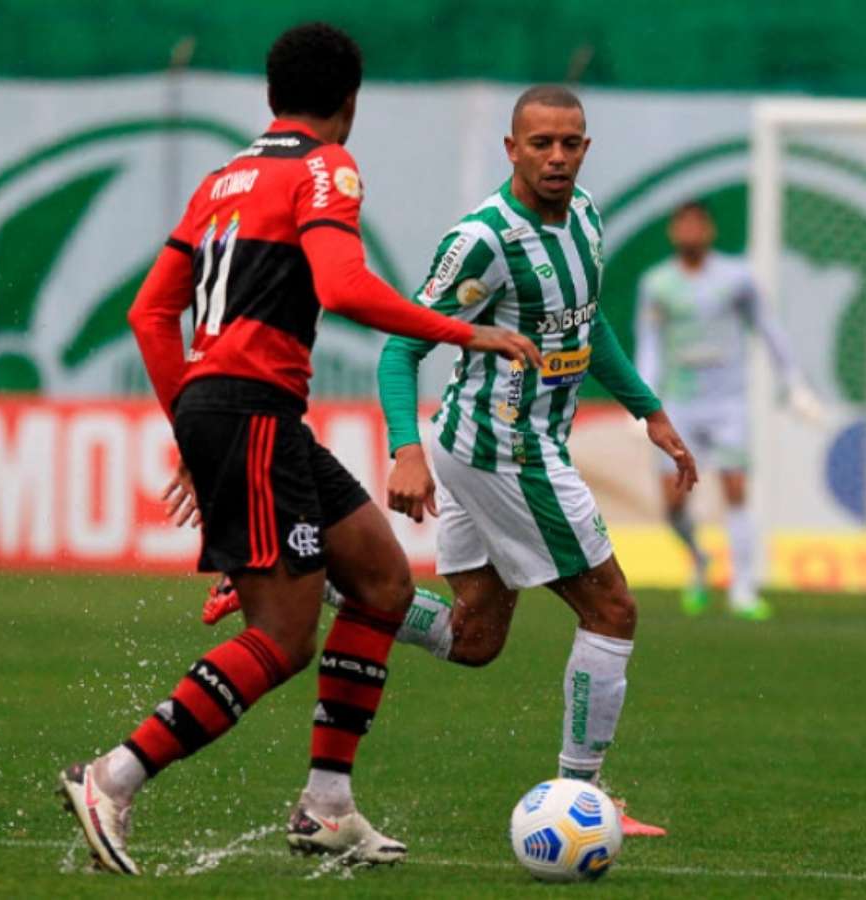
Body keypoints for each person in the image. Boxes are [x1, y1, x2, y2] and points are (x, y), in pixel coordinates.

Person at [57, 22, 539, 875]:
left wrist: (194, 427)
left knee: (384, 583)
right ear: (350, 102)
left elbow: (149, 313)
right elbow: (343, 286)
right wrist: (465, 334)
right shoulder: (327, 164)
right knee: (281, 638)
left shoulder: (221, 180)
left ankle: (326, 805)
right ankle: (114, 777)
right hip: (249, 412)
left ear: (271, 96)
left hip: (247, 414)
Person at [377, 85, 696, 837]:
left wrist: (647, 408)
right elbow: (402, 346)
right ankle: (583, 798)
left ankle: (323, 577)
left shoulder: (585, 217)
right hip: (504, 449)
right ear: (512, 149)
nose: (558, 157)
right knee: (612, 609)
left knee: (475, 639)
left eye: (571, 142)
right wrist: (403, 449)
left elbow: (590, 322)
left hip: (497, 446)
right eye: (542, 143)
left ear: (586, 147)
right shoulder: (485, 239)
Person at [633, 201, 822, 620]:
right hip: (678, 403)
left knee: (736, 488)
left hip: (729, 402)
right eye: (682, 224)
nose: (690, 232)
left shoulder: (737, 279)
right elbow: (649, 343)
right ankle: (700, 560)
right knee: (673, 503)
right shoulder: (658, 283)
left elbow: (769, 329)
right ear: (672, 233)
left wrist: (793, 382)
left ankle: (743, 589)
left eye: (697, 224)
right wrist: (643, 401)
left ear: (710, 231)